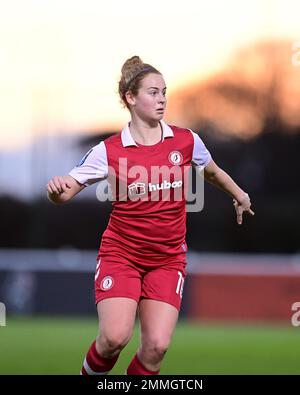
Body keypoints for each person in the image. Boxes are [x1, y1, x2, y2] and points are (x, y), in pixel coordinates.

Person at [46, 56, 254, 375]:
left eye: (164, 92)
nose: (162, 100)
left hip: (168, 259)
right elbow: (66, 191)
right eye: (153, 93)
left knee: (156, 347)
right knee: (114, 338)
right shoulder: (109, 150)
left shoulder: (186, 140)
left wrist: (238, 194)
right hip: (122, 256)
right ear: (131, 97)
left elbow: (211, 172)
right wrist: (57, 189)